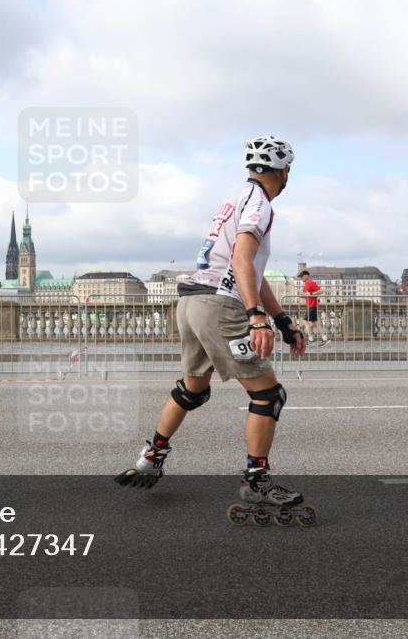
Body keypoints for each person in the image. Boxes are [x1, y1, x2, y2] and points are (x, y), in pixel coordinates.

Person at [115, 136, 312, 524]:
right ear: (283, 171)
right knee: (268, 394)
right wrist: (257, 317)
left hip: (191, 303)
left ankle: (151, 457)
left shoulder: (235, 198)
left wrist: (283, 320)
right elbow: (241, 259)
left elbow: (250, 270)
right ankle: (256, 482)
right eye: (288, 170)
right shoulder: (259, 204)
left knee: (192, 387)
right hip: (220, 306)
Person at [298, 269, 327, 345]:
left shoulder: (311, 282)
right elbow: (305, 294)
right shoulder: (306, 284)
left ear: (306, 276)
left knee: (305, 322)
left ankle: (311, 340)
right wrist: (302, 295)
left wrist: (310, 293)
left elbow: (320, 291)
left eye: (302, 276)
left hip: (312, 305)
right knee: (316, 323)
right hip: (309, 305)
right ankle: (324, 338)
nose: (301, 278)